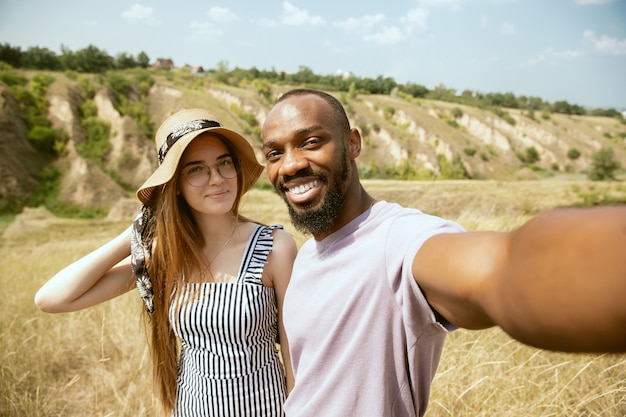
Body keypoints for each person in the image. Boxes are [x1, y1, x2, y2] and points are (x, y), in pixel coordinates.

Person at [260, 88, 626, 417]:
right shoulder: (307, 256)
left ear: (352, 143)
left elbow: (501, 269)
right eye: (275, 153)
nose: (290, 165)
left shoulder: (398, 239)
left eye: (310, 142)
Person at [35, 108, 297, 417]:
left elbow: (294, 354)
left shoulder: (274, 248)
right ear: (175, 185)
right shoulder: (165, 257)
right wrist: (133, 235)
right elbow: (51, 299)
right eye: (196, 170)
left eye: (224, 164)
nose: (216, 179)